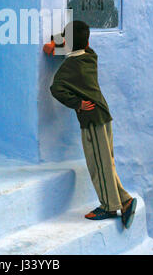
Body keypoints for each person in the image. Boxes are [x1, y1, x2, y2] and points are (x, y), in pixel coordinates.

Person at [44, 20, 137, 228]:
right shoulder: (90, 56)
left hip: (91, 119)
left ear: (68, 43)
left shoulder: (70, 65)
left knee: (98, 164)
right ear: (87, 42)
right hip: (104, 115)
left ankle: (108, 206)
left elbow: (56, 87)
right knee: (107, 162)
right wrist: (62, 42)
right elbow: (74, 44)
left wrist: (77, 104)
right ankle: (125, 201)